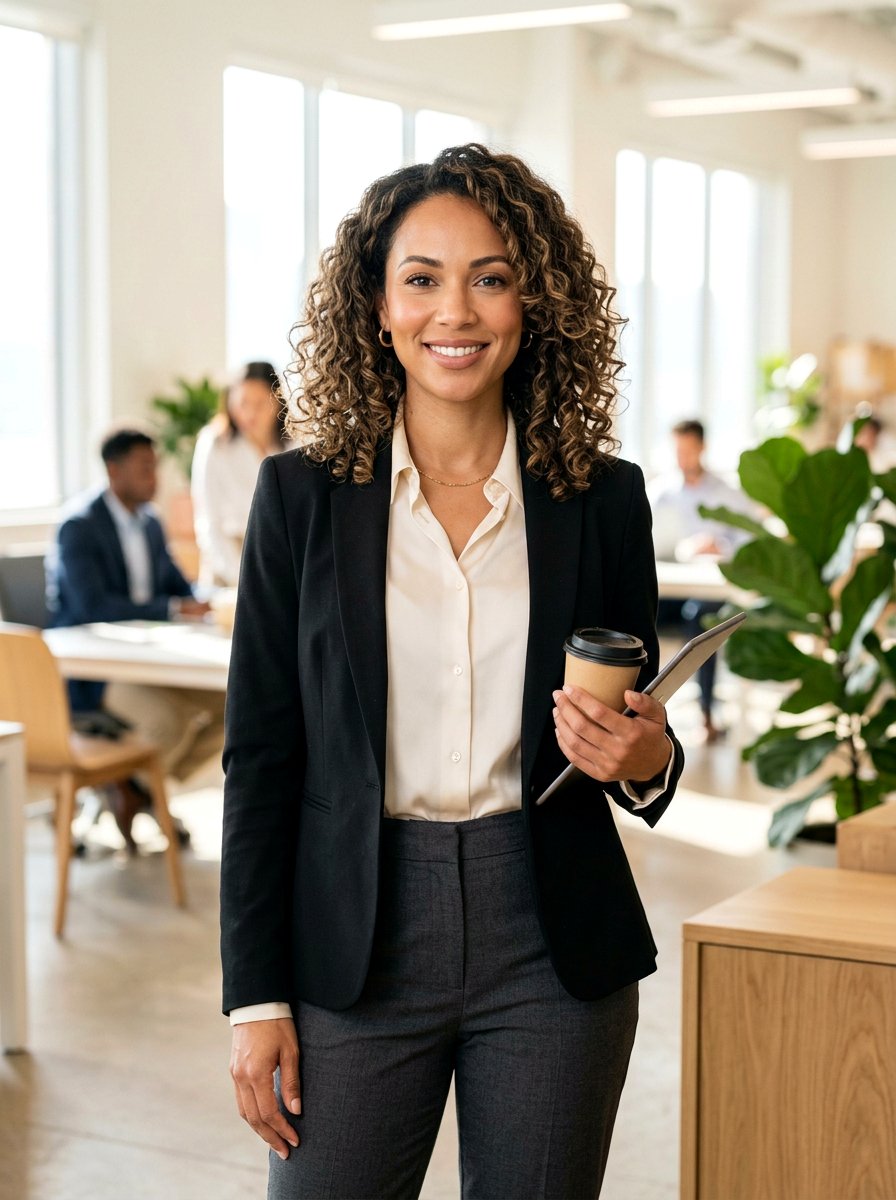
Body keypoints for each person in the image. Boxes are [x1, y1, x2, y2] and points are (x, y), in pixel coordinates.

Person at [221, 144, 685, 1200]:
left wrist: (645, 755)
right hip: (353, 935)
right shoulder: (298, 498)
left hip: (551, 939)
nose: (454, 312)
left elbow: (640, 719)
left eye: (490, 276)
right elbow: (260, 755)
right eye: (421, 278)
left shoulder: (598, 497)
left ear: (534, 300)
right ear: (377, 307)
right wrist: (255, 999)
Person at [47, 428, 226, 845]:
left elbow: (178, 587)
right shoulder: (79, 527)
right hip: (97, 673)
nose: (155, 477)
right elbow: (93, 607)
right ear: (114, 471)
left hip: (149, 662)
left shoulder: (149, 522)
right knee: (165, 722)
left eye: (155, 467)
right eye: (145, 468)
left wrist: (203, 602)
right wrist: (171, 609)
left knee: (234, 705)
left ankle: (135, 789)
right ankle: (136, 789)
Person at [648, 418, 752, 741]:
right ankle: (641, 710)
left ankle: (706, 714)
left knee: (702, 619)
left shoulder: (726, 494)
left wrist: (722, 546)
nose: (682, 458)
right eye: (677, 450)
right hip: (671, 587)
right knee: (637, 611)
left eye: (688, 450)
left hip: (712, 590)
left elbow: (751, 542)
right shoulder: (661, 493)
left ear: (702, 449)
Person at [191, 361, 290, 587]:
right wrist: (241, 578)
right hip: (229, 560)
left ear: (277, 402)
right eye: (242, 403)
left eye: (259, 404)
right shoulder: (216, 444)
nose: (249, 414)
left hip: (281, 559)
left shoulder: (293, 444)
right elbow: (209, 520)